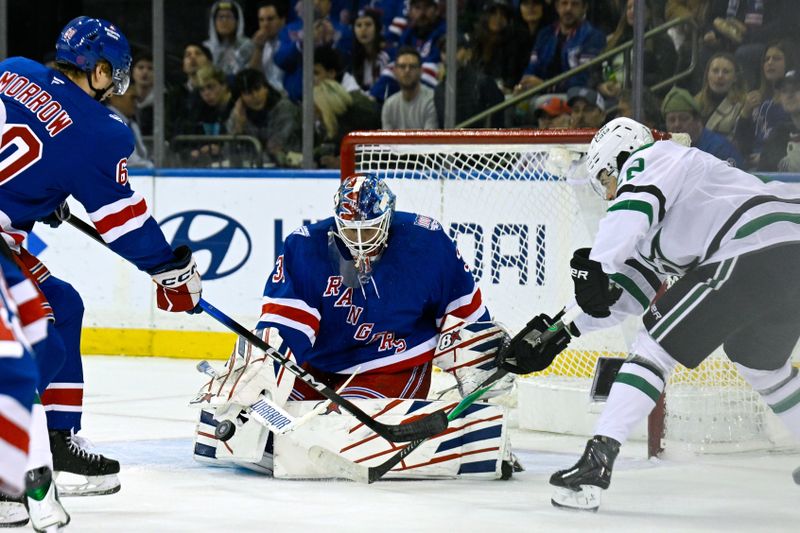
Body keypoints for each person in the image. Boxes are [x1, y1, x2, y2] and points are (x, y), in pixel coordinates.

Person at [500, 117, 800, 511]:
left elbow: (631, 208)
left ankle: (596, 463)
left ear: (618, 160)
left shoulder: (654, 157)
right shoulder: (665, 217)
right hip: (786, 257)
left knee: (653, 347)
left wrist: (596, 261)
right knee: (758, 363)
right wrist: (559, 331)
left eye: (607, 182)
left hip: (754, 244)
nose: (609, 196)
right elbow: (624, 294)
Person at [0, 16, 203, 501]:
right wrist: (170, 271)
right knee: (39, 337)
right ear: (99, 68)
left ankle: (57, 438)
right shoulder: (99, 131)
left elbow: (30, 148)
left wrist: (37, 192)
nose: (116, 85)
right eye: (115, 73)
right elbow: (125, 223)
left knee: (63, 305)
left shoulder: (13, 68)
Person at [515, 0, 606, 94]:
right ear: (557, 7)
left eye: (575, 4)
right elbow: (532, 67)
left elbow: (584, 78)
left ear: (584, 8)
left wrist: (545, 85)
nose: (568, 9)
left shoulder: (592, 36)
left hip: (574, 96)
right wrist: (524, 84)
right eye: (564, 3)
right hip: (540, 94)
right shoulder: (545, 34)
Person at [596, 0, 677, 101]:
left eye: (637, 7)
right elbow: (601, 66)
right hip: (612, 97)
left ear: (649, 13)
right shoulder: (616, 41)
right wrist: (602, 85)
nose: (632, 11)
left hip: (644, 99)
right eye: (629, 8)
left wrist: (627, 85)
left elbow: (664, 78)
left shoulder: (661, 40)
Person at [274, 0, 353, 102]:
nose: (316, 2)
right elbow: (280, 60)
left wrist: (331, 43)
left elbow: (347, 64)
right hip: (296, 99)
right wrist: (302, 43)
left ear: (329, 5)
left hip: (330, 100)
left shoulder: (342, 31)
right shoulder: (290, 29)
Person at [734, 40, 795, 169]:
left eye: (776, 59)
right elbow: (742, 140)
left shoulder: (794, 102)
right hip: (751, 164)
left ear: (788, 64)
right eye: (766, 59)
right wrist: (745, 112)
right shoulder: (757, 99)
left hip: (779, 165)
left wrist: (765, 157)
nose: (770, 62)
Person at [226, 68, 301, 167]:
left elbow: (276, 146)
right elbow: (229, 151)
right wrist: (239, 126)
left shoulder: (284, 108)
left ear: (266, 88)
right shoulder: (238, 112)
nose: (255, 96)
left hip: (289, 167)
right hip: (252, 169)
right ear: (241, 97)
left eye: (257, 89)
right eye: (248, 93)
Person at [433, 33, 505, 128]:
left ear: (469, 54)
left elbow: (497, 122)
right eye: (444, 51)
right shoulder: (440, 90)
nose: (449, 54)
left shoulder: (483, 82)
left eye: (455, 50)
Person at [662, 86, 744, 168]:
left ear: (697, 121)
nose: (677, 124)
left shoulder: (719, 148)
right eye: (671, 120)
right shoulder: (664, 150)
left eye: (684, 119)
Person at [313, 79, 380, 168]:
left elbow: (374, 151)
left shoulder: (362, 116)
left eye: (318, 111)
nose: (317, 115)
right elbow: (332, 144)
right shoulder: (336, 121)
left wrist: (344, 162)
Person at [381, 47, 437, 130]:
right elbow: (387, 141)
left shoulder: (432, 101)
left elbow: (429, 141)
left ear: (421, 71)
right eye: (402, 66)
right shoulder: (389, 105)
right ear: (395, 71)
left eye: (412, 66)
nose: (407, 70)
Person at [695, 52, 746, 141]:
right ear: (707, 74)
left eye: (726, 72)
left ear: (735, 78)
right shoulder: (694, 102)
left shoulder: (742, 105)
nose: (720, 76)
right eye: (715, 71)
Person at [759, 70, 800, 172]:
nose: (789, 95)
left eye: (796, 89)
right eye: (784, 91)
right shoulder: (779, 134)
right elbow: (764, 175)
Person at [107, 81, 154, 168]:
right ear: (114, 98)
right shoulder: (108, 123)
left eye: (137, 99)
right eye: (132, 98)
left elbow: (141, 155)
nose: (136, 103)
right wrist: (150, 165)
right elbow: (128, 160)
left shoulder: (132, 125)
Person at [203, 0, 255, 76]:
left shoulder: (248, 46)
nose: (224, 21)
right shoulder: (206, 48)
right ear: (213, 22)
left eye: (229, 17)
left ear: (238, 22)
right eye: (220, 17)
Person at [247, 0, 287, 92]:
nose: (265, 24)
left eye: (270, 19)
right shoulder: (256, 43)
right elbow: (251, 78)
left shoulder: (290, 43)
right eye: (261, 20)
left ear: (282, 20)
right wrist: (258, 49)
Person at [349, 8, 390, 92]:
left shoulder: (386, 55)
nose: (363, 29)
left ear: (377, 28)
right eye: (359, 25)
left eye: (368, 24)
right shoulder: (352, 57)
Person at [131, 52, 154, 135]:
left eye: (150, 68)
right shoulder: (122, 100)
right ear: (133, 72)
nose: (145, 72)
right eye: (140, 68)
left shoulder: (164, 100)